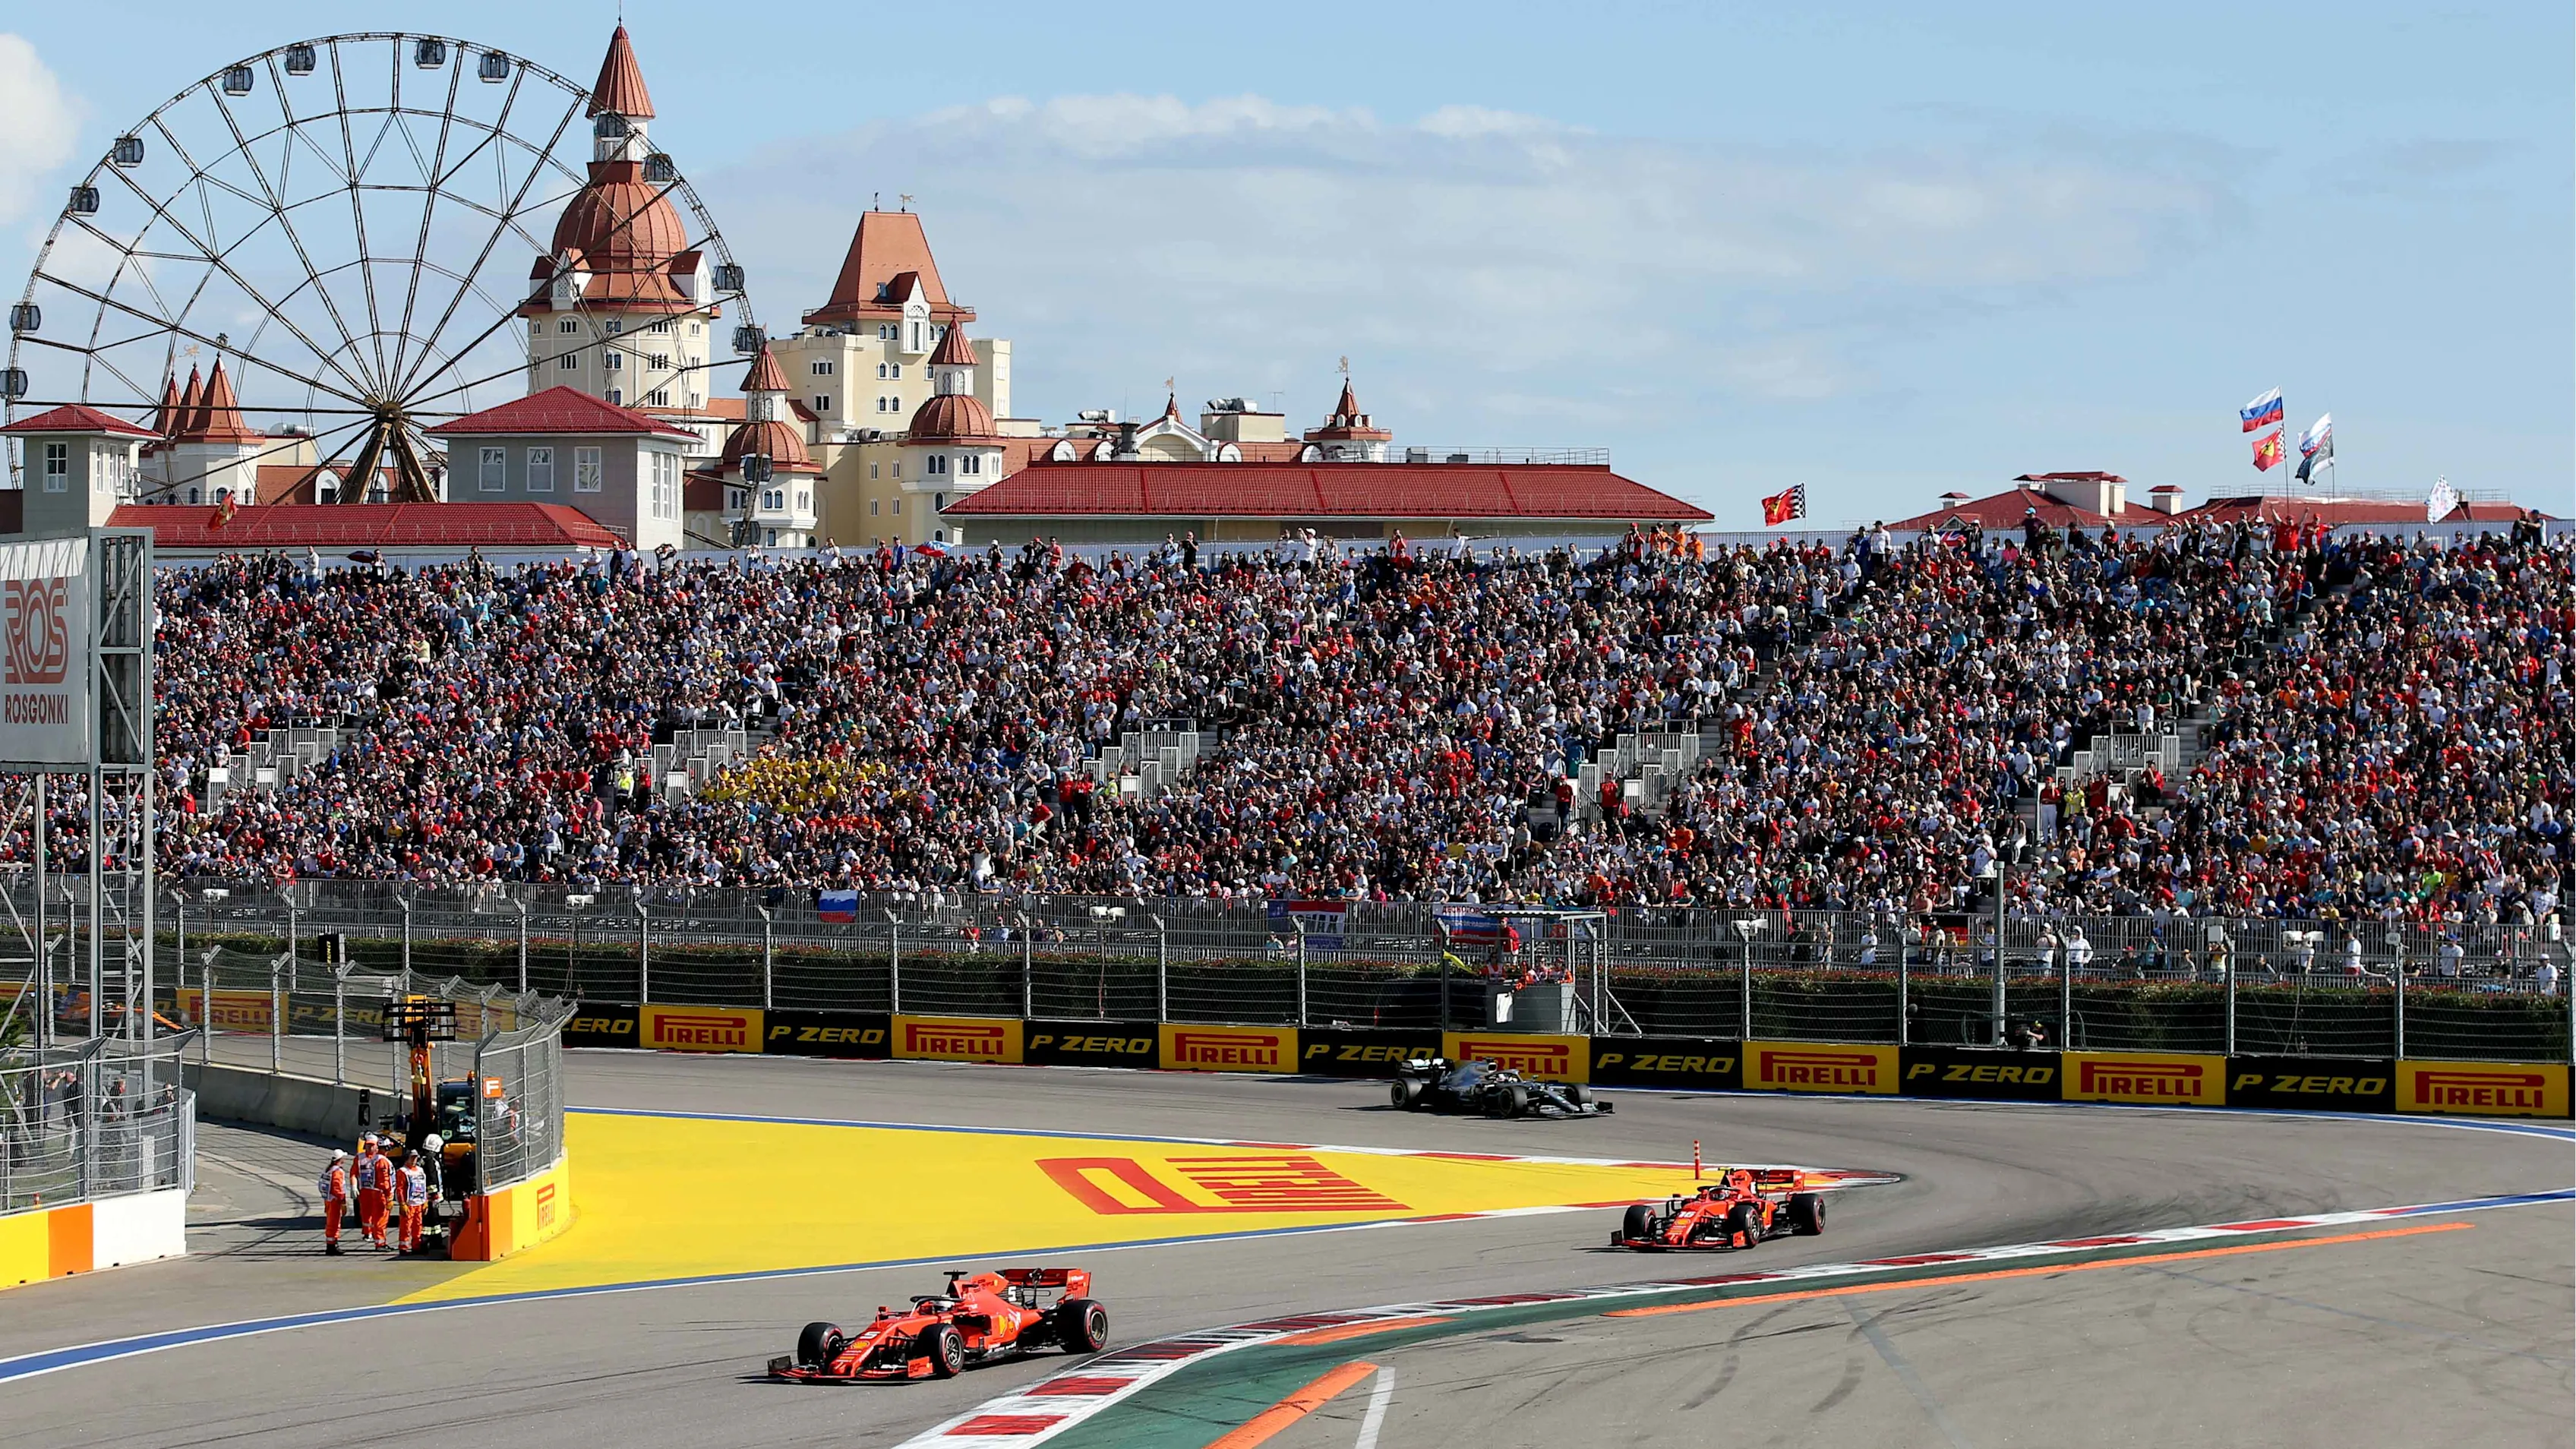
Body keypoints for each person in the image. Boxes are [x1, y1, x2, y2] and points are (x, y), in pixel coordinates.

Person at [354, 1135, 391, 1249]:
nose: (369, 1147)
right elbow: (385, 1181)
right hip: (375, 1192)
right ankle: (377, 1241)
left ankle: (376, 1238)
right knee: (377, 1217)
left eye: (372, 1145)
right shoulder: (381, 1161)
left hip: (375, 1191)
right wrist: (354, 1186)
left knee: (377, 1217)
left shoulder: (378, 1160)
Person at [316, 1148, 351, 1256]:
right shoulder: (337, 1172)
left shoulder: (328, 1170)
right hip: (335, 1201)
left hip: (328, 1200)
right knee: (334, 1224)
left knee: (331, 1223)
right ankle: (332, 1246)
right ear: (340, 1159)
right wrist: (343, 1202)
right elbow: (338, 1189)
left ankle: (332, 1244)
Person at [396, 1152, 431, 1255]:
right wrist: (402, 1203)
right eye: (412, 1158)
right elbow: (400, 1189)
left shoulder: (420, 1171)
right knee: (406, 1226)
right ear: (406, 1159)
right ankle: (404, 1247)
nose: (414, 1160)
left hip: (419, 1204)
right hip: (409, 1204)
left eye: (416, 1158)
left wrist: (426, 1201)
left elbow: (424, 1186)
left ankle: (416, 1246)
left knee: (418, 1226)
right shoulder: (403, 1171)